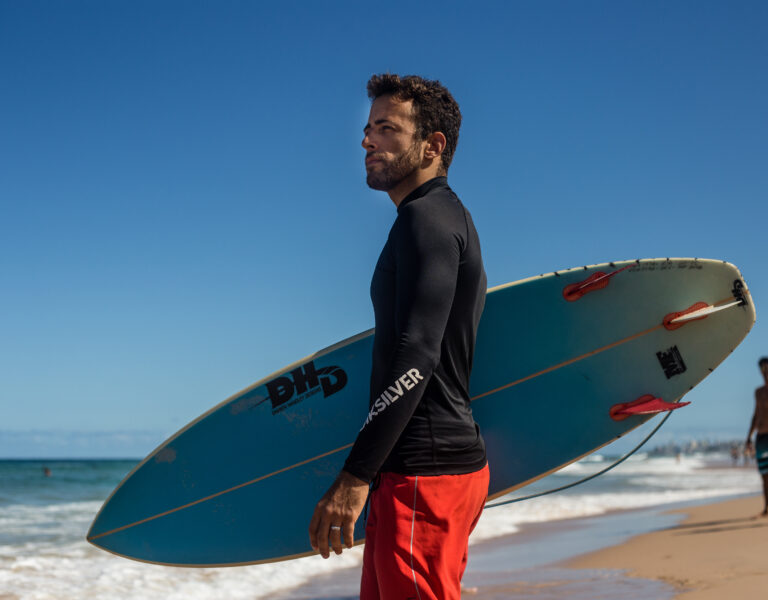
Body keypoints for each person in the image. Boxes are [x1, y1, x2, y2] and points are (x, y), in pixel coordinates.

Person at [308, 74, 489, 600]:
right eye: (368, 129)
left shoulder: (426, 220)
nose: (368, 140)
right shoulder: (436, 216)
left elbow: (418, 352)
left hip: (422, 475)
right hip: (419, 471)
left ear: (432, 145)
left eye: (387, 128)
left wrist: (355, 476)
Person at [745, 357, 768, 516]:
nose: (764, 373)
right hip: (761, 437)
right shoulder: (758, 392)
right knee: (764, 476)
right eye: (762, 370)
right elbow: (755, 415)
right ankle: (767, 507)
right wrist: (748, 437)